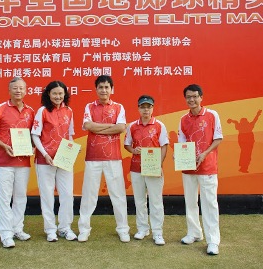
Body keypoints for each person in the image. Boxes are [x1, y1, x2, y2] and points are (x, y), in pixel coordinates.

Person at [77, 75, 130, 243]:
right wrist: (110, 128)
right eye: (101, 87)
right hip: (93, 157)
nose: (104, 90)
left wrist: (97, 129)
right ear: (96, 89)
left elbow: (121, 127)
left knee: (118, 195)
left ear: (111, 89)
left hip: (113, 158)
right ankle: (84, 229)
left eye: (107, 87)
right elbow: (88, 126)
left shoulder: (119, 107)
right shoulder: (89, 106)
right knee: (89, 195)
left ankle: (123, 229)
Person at [0, 77, 35, 248]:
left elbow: (34, 135)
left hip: (23, 162)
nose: (18, 91)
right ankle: (5, 233)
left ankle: (17, 228)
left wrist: (34, 146)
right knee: (4, 198)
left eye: (21, 88)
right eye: (15, 88)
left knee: (21, 197)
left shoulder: (31, 111)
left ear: (26, 90)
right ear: (9, 90)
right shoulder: (0, 109)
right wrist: (4, 146)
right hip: (4, 162)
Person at [177, 84, 223, 255]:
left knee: (209, 204)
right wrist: (179, 156)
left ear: (201, 97)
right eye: (188, 97)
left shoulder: (212, 115)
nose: (192, 100)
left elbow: (218, 138)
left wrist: (204, 153)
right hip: (188, 168)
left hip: (208, 167)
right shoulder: (183, 119)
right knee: (190, 202)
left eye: (195, 96)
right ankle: (194, 233)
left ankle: (213, 241)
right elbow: (182, 142)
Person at [31, 81, 77, 242]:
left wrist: (70, 153)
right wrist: (44, 154)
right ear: (48, 94)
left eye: (60, 93)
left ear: (65, 94)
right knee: (47, 196)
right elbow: (35, 135)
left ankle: (65, 228)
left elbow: (70, 134)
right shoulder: (42, 111)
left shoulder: (69, 111)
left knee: (67, 195)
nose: (58, 96)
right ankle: (50, 230)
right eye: (54, 93)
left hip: (64, 160)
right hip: (45, 161)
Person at [124, 95, 168, 246]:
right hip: (136, 168)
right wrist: (133, 150)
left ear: (152, 108)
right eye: (143, 107)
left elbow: (164, 146)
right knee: (140, 200)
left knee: (156, 201)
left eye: (148, 107)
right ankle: (142, 229)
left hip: (153, 168)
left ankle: (157, 232)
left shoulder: (159, 125)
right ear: (138, 108)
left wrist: (159, 165)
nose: (146, 110)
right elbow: (127, 144)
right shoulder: (132, 126)